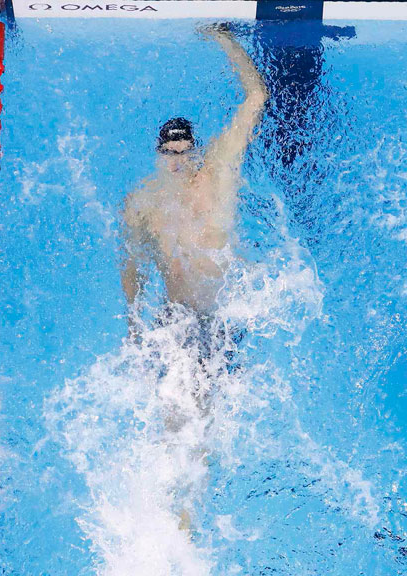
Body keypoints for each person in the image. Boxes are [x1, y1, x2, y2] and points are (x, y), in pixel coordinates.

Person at [120, 23, 268, 373]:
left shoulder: (217, 173)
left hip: (224, 317)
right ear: (158, 155)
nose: (179, 161)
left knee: (213, 410)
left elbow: (256, 97)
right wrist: (132, 323)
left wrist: (223, 38)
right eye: (170, 153)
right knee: (177, 412)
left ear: (197, 151)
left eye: (186, 151)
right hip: (175, 321)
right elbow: (132, 265)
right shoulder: (141, 203)